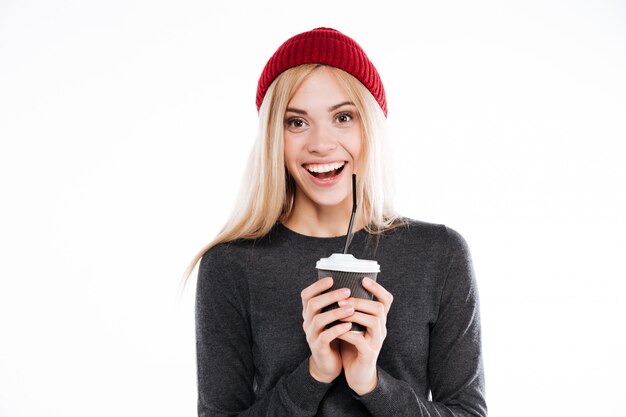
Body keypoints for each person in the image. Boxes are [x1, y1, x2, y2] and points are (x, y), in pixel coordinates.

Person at [186, 27, 487, 416]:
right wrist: (314, 374)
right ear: (273, 137)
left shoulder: (439, 254)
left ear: (371, 127)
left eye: (343, 117)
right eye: (296, 122)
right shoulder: (230, 265)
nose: (321, 144)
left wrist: (372, 384)